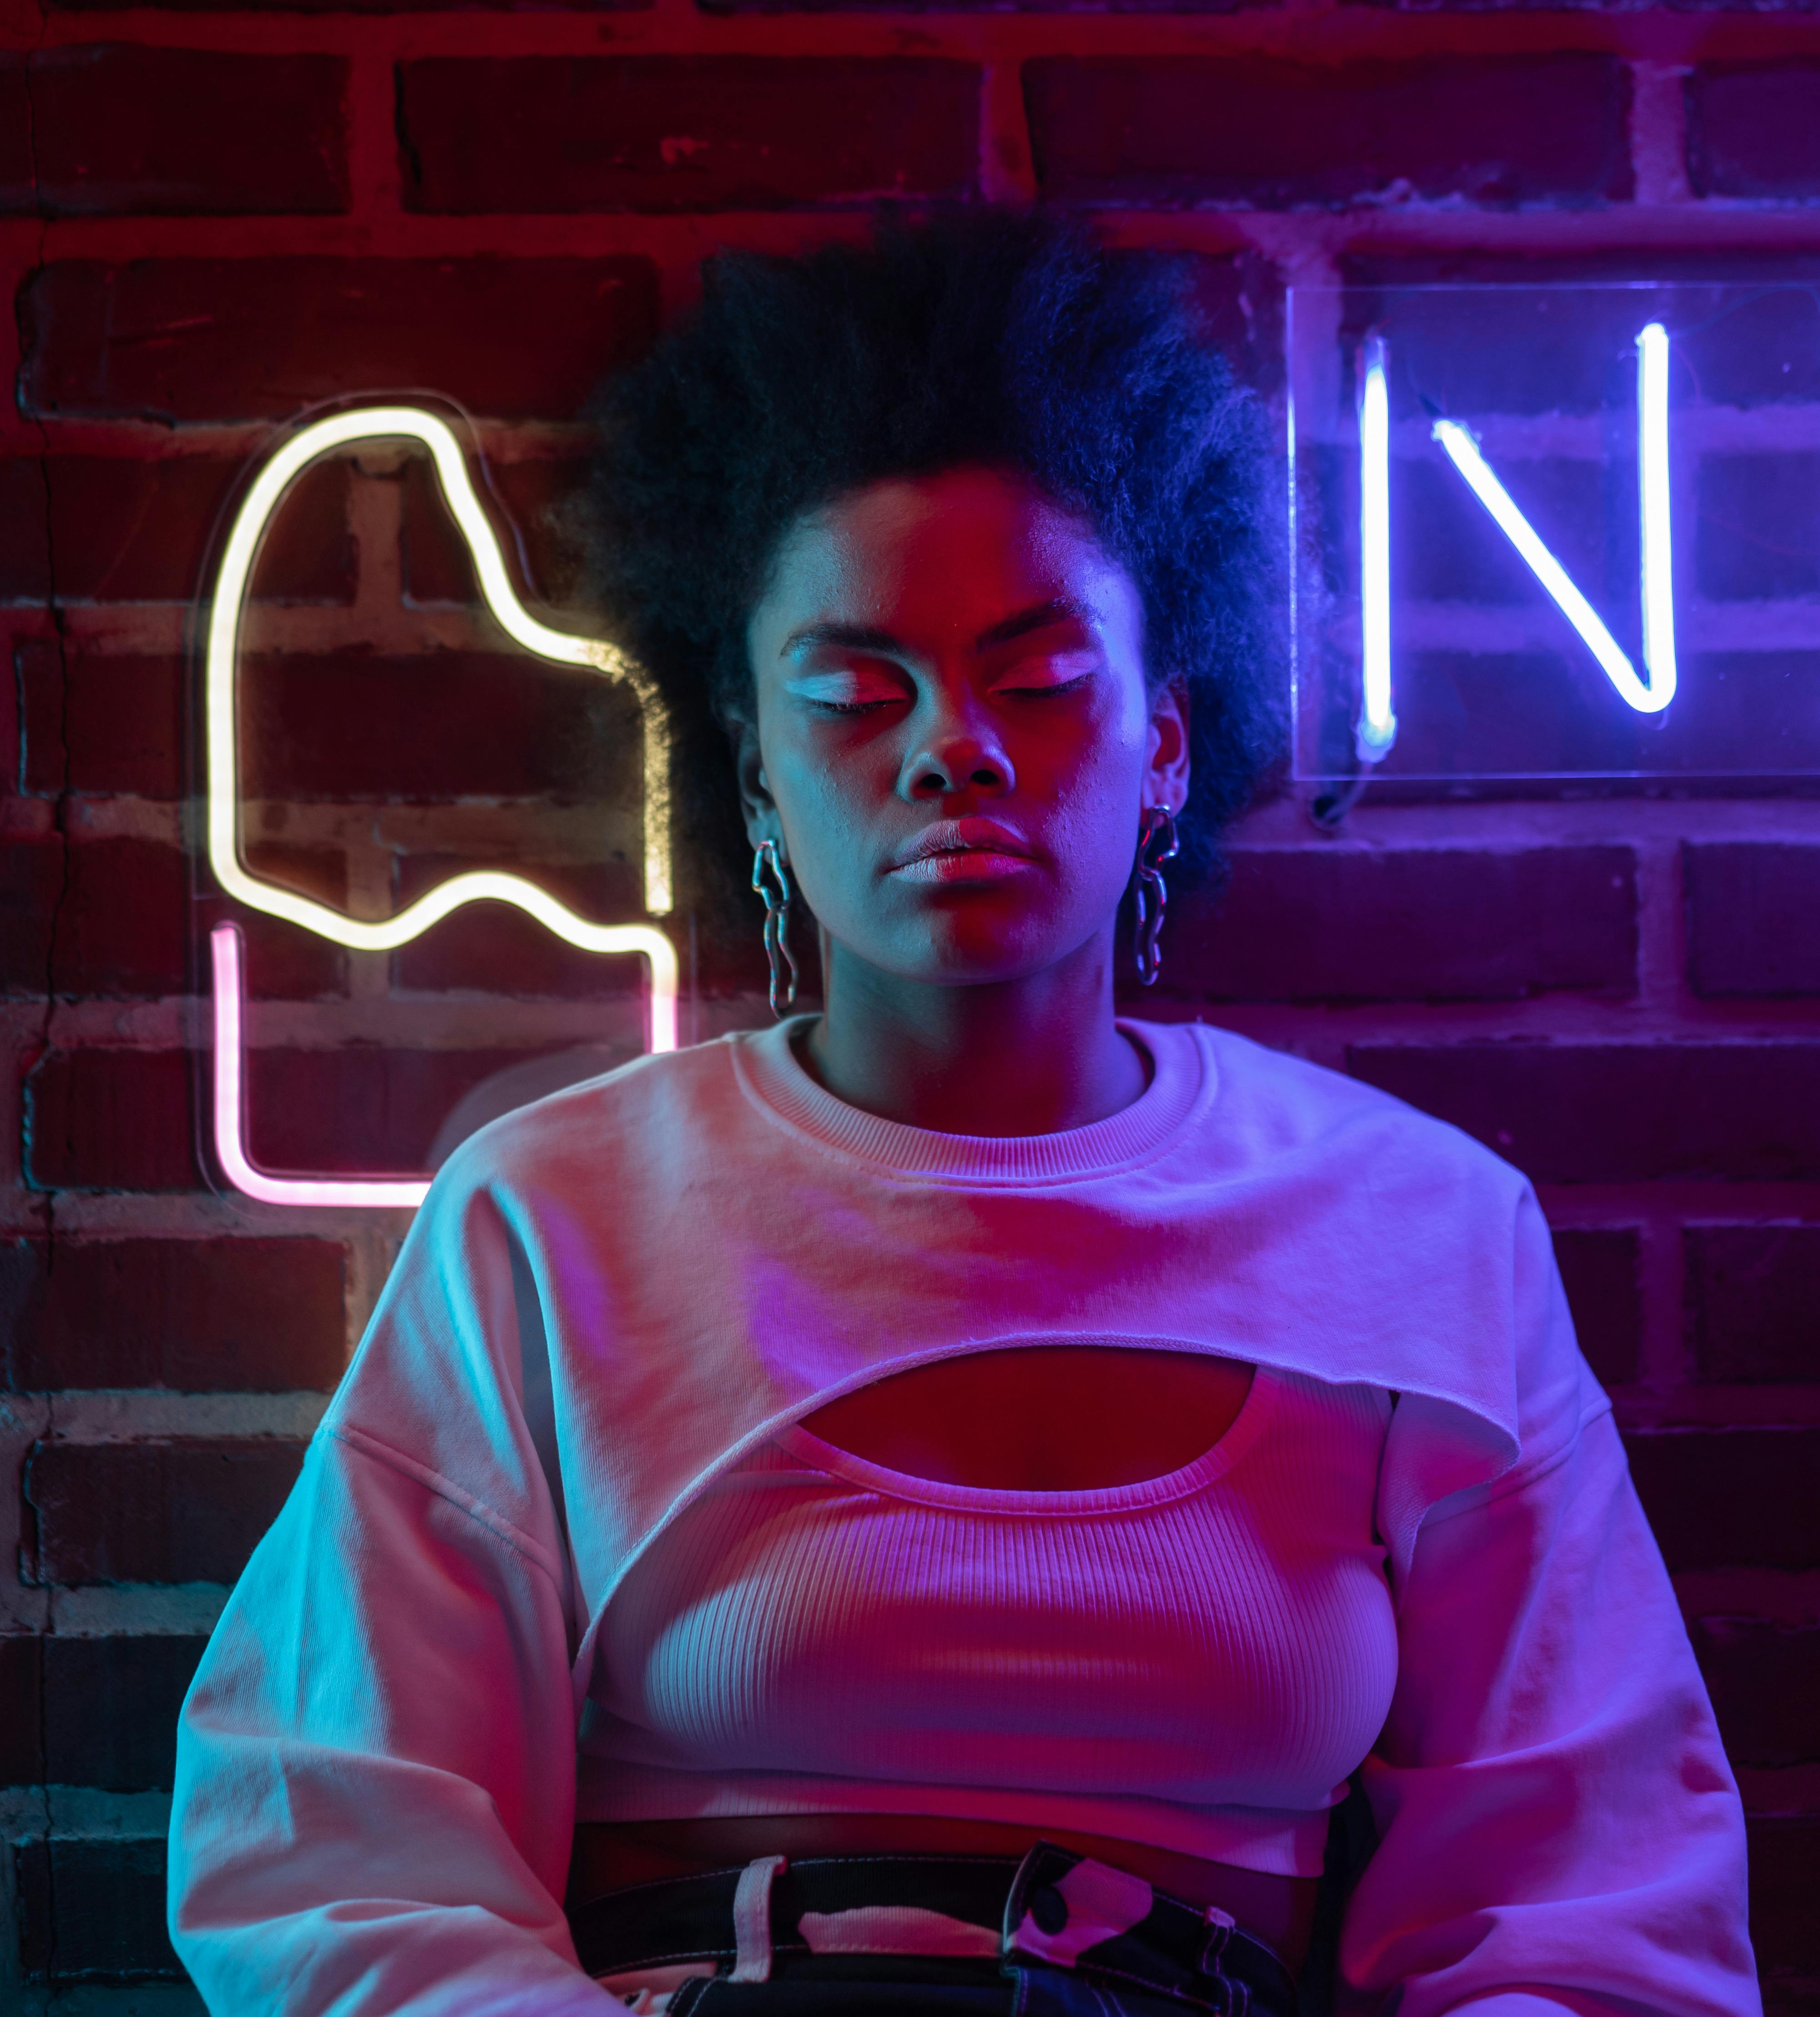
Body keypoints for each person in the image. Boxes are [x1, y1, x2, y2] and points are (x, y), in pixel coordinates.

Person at [168, 223, 1758, 2017]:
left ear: (1164, 741)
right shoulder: (554, 1219)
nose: (951, 753)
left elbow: (1592, 1888)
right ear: (753, 765)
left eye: (1038, 677)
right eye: (855, 693)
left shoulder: (1425, 1235)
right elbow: (337, 1843)